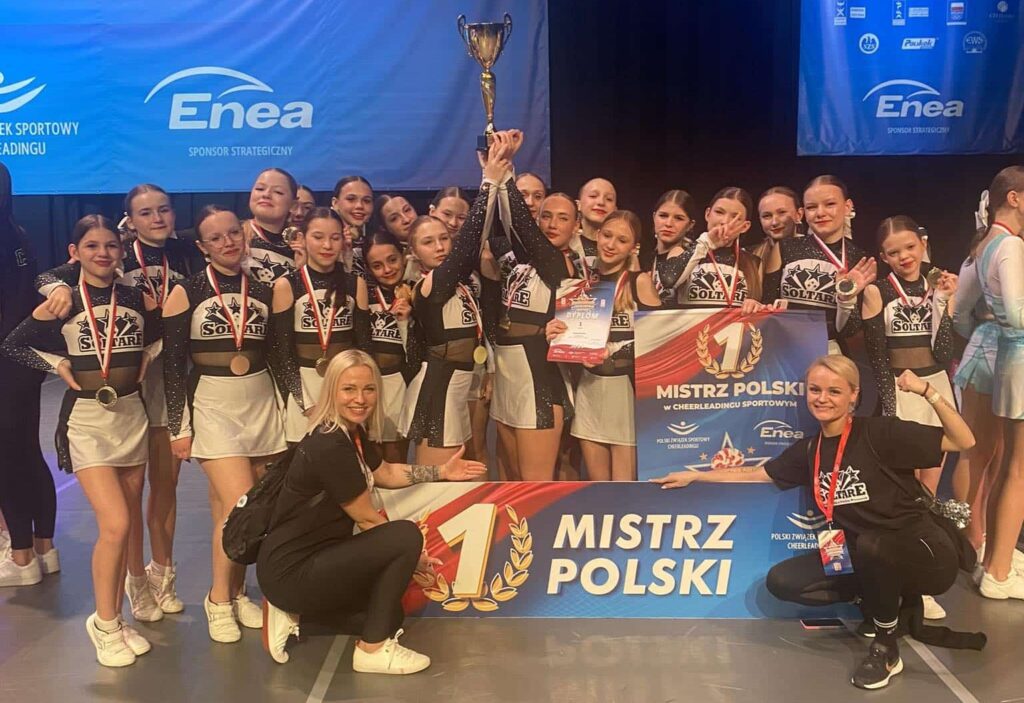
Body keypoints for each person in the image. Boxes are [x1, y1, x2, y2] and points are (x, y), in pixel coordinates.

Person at [653, 355, 977, 690]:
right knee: (783, 581)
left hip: (924, 552)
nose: (822, 398)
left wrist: (927, 391)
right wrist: (696, 476)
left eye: (834, 391)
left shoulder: (880, 432)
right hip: (862, 553)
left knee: (872, 544)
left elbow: (963, 441)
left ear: (853, 395)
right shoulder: (810, 450)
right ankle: (883, 602)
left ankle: (886, 648)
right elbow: (757, 473)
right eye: (815, 390)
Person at [256, 349, 486, 668]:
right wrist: (413, 556)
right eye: (349, 389)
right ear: (331, 391)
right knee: (405, 536)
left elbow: (385, 473)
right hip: (291, 569)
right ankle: (372, 651)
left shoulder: (351, 433)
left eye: (369, 389)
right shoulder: (329, 444)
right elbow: (366, 518)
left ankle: (295, 614)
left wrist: (442, 471)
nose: (360, 399)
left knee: (389, 615)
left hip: (315, 559)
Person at [2, 215, 162, 666]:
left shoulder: (134, 296)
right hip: (88, 421)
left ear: (121, 251)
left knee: (127, 520)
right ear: (75, 253)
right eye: (92, 246)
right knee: (115, 524)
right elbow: (13, 345)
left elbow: (158, 335)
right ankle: (104, 624)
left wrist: (148, 355)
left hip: (131, 416)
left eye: (110, 245)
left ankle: (118, 618)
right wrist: (57, 365)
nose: (103, 253)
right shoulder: (64, 299)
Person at [36, 184, 198, 619]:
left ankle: (163, 573)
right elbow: (51, 275)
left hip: (169, 379)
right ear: (131, 222)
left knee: (166, 487)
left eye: (164, 209)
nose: (157, 218)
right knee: (127, 500)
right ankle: (135, 581)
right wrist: (58, 287)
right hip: (123, 387)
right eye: (146, 212)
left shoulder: (186, 255)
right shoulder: (116, 257)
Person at [162, 205, 286, 643]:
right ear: (202, 246)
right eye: (216, 237)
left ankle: (236, 592)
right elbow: (172, 368)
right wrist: (178, 427)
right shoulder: (187, 291)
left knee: (230, 511)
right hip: (213, 405)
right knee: (240, 507)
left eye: (233, 232)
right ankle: (217, 600)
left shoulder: (267, 289)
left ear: (245, 234)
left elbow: (279, 356)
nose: (228, 242)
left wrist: (290, 411)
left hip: (261, 403)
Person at [398, 134, 513, 465]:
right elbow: (470, 240)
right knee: (438, 480)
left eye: (444, 239)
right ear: (413, 252)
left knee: (467, 471)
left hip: (462, 382)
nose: (439, 246)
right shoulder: (430, 284)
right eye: (428, 242)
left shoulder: (463, 282)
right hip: (440, 385)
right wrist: (489, 180)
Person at [546, 210, 661, 481]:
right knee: (598, 486)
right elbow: (571, 340)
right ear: (597, 236)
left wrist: (612, 350)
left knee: (624, 488)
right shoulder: (581, 285)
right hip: (590, 389)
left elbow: (659, 340)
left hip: (626, 394)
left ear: (634, 247)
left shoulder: (639, 282)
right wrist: (554, 333)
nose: (611, 245)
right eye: (607, 235)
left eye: (622, 240)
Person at [487, 176, 577, 481]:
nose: (552, 224)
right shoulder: (519, 262)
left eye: (562, 218)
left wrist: (503, 177)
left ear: (575, 226)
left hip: (538, 377)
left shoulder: (559, 262)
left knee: (534, 486)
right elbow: (494, 227)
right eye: (546, 216)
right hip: (506, 374)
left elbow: (523, 227)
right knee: (510, 481)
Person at [0, 162, 57, 589]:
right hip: (23, 357)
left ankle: (21, 559)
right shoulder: (17, 231)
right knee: (26, 451)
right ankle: (44, 549)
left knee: (7, 457)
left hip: (7, 359)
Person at [270, 207, 370, 445]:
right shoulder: (287, 285)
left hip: (345, 384)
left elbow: (364, 347)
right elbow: (281, 352)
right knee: (303, 459)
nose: (327, 245)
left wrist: (357, 393)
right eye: (318, 237)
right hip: (303, 386)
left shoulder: (355, 284)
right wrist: (303, 402)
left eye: (335, 238)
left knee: (347, 456)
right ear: (302, 238)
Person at [970, 165, 1024, 600]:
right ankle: (999, 573)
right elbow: (1018, 313)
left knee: (1009, 466)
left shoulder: (987, 244)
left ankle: (993, 561)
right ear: (1014, 198)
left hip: (1010, 357)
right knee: (1017, 469)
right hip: (1019, 355)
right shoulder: (1010, 244)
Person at [763, 176, 877, 355]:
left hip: (829, 353)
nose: (820, 213)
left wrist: (845, 299)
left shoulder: (859, 259)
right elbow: (766, 306)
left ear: (847, 207)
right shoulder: (785, 248)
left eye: (830, 204)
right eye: (812, 207)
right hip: (784, 351)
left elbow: (849, 330)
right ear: (803, 212)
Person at [363, 230, 419, 462]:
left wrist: (405, 323)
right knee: (370, 459)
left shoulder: (417, 292)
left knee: (396, 458)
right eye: (377, 266)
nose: (387, 269)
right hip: (368, 384)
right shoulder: (364, 295)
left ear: (404, 256)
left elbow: (416, 356)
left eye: (392, 260)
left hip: (400, 382)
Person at [666, 188, 763, 309]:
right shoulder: (682, 251)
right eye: (719, 212)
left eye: (735, 217)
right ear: (707, 214)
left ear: (745, 226)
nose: (725, 221)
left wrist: (756, 306)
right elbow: (668, 281)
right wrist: (707, 242)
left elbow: (763, 310)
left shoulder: (753, 263)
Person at [243, 168, 301, 283]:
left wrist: (304, 267)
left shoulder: (301, 243)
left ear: (293, 205)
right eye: (260, 189)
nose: (266, 195)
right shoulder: (234, 237)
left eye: (278, 192)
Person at [646, 189, 697, 304]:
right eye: (663, 216)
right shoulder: (644, 259)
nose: (668, 223)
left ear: (690, 225)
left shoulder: (692, 262)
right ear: (654, 217)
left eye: (678, 218)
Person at [748, 186, 803, 265]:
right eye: (767, 216)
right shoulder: (749, 258)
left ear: (799, 214)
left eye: (782, 213)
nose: (774, 222)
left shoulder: (817, 249)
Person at [332, 175, 374, 275]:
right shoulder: (324, 242)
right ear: (335, 203)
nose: (359, 206)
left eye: (366, 201)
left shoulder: (375, 240)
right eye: (351, 199)